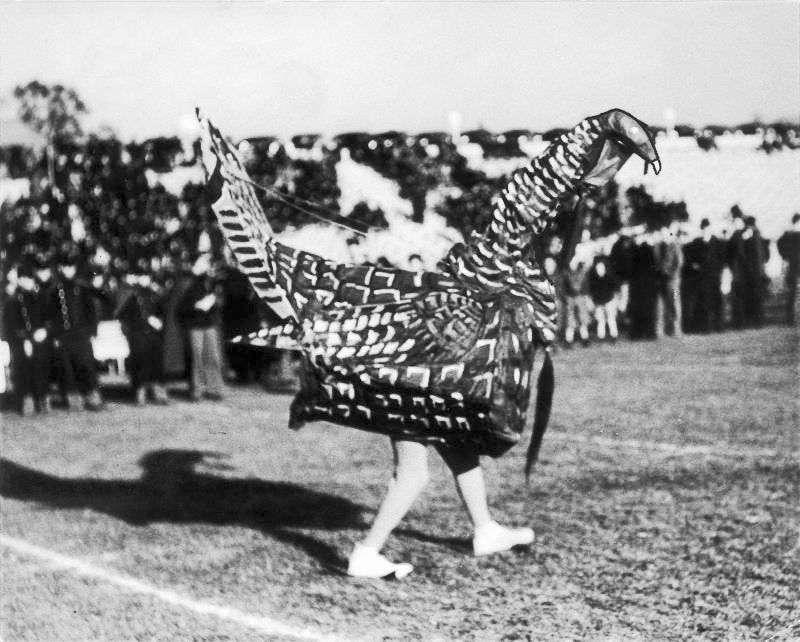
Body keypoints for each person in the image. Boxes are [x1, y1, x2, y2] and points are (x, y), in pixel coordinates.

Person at [198, 108, 661, 579]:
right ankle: (366, 553)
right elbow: (531, 195)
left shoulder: (496, 266)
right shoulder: (496, 252)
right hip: (409, 370)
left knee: (458, 446)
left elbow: (547, 203)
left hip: (420, 369)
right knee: (413, 474)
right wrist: (600, 130)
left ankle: (484, 529)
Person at [45, 247, 104, 411]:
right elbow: (50, 316)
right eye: (65, 267)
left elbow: (91, 312)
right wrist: (55, 335)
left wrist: (92, 332)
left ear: (75, 268)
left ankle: (92, 397)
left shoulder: (83, 288)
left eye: (71, 267)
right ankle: (73, 399)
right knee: (67, 369)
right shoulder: (54, 291)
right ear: (60, 268)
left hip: (81, 334)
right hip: (64, 335)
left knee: (86, 366)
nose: (68, 270)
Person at [115, 260, 169, 405]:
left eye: (147, 276)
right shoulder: (129, 293)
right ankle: (140, 392)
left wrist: (159, 321)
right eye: (142, 276)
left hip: (154, 333)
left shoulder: (154, 292)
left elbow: (163, 308)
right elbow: (121, 314)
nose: (145, 279)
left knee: (156, 362)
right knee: (139, 363)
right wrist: (139, 325)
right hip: (137, 333)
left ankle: (158, 391)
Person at [2, 258, 52, 415]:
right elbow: (10, 327)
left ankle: (42, 398)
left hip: (40, 340)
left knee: (42, 364)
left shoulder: (41, 298)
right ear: (19, 281)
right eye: (23, 279)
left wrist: (44, 331)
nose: (27, 282)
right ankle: (26, 400)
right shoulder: (13, 302)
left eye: (30, 279)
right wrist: (24, 340)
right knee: (23, 366)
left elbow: (48, 319)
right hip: (20, 342)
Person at [178, 252, 225, 401]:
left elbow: (220, 298)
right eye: (202, 262)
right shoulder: (187, 282)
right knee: (196, 358)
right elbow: (181, 307)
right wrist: (196, 306)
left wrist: (215, 302)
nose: (206, 265)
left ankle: (215, 389)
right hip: (194, 326)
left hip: (209, 324)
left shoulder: (210, 282)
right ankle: (197, 390)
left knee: (213, 357)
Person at [654, 224, 683, 337]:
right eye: (662, 234)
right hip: (661, 282)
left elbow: (679, 263)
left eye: (665, 234)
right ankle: (661, 331)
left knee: (675, 303)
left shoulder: (675, 246)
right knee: (661, 306)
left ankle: (676, 329)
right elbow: (656, 262)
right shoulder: (658, 247)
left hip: (674, 282)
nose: (664, 236)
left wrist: (670, 273)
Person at [588, 256, 619, 341]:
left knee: (611, 318)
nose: (600, 270)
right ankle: (601, 335)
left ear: (605, 268)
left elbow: (614, 289)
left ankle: (614, 335)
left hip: (609, 300)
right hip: (598, 301)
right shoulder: (594, 279)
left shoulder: (610, 278)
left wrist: (613, 299)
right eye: (598, 268)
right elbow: (592, 291)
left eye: (602, 268)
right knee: (600, 320)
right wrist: (594, 301)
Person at [562, 258, 592, 347]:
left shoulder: (580, 274)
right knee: (572, 320)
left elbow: (585, 287)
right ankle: (570, 340)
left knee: (581, 319)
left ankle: (582, 339)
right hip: (572, 298)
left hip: (578, 297)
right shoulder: (567, 274)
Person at [776, 213, 800, 326]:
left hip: (794, 267)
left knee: (793, 293)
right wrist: (786, 256)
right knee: (793, 293)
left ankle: (792, 319)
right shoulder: (789, 234)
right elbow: (780, 244)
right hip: (794, 267)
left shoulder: (790, 234)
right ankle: (791, 319)